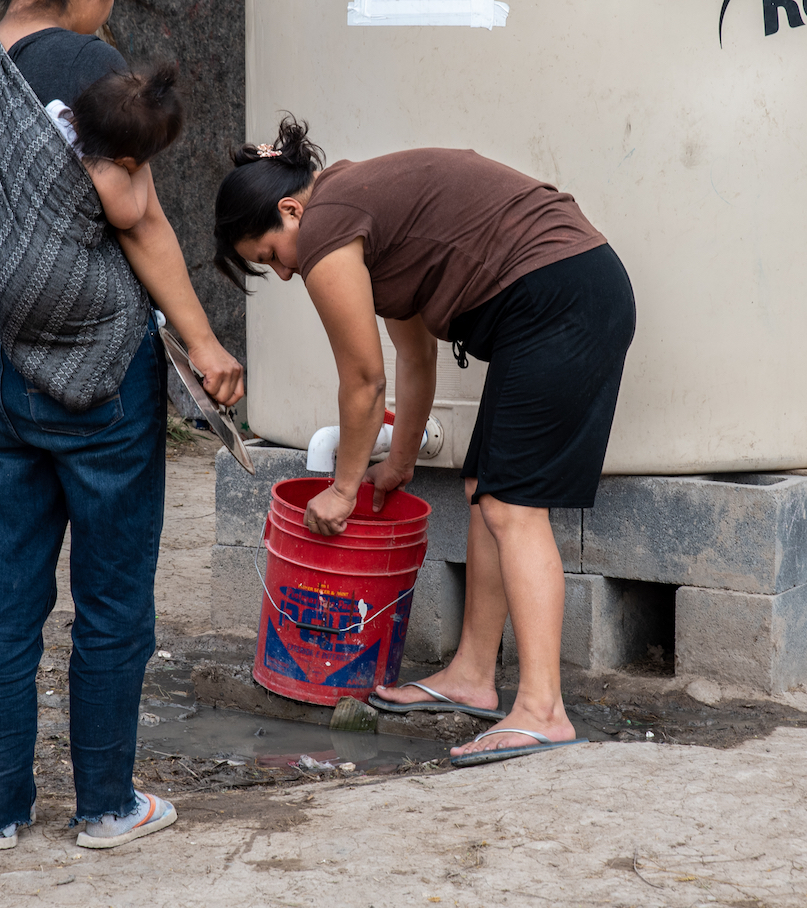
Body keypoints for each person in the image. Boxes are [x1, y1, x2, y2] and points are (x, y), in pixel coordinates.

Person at [0, 0, 242, 851]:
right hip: (102, 374)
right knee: (114, 595)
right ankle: (105, 806)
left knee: (6, 593)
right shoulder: (90, 66)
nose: (107, 16)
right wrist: (204, 344)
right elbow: (140, 220)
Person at [211, 118, 634, 765]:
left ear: (291, 209)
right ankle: (470, 675)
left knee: (515, 507)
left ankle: (543, 709)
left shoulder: (328, 225)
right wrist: (400, 460)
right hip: (564, 290)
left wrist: (344, 488)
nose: (287, 274)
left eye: (270, 255)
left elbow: (361, 379)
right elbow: (415, 358)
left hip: (557, 298)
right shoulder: (362, 211)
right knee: (485, 491)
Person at [66, 63, 183, 231]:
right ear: (123, 161)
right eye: (151, 158)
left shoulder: (56, 111)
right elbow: (130, 216)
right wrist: (140, 170)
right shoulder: (104, 171)